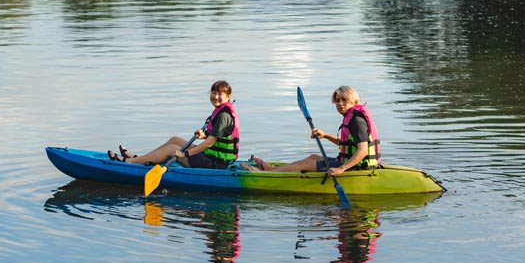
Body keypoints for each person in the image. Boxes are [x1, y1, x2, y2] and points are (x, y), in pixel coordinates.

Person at [107, 80, 240, 169]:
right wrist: (204, 135)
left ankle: (129, 162)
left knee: (171, 149)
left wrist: (185, 154)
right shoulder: (221, 112)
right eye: (213, 93)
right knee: (175, 140)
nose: (215, 97)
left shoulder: (223, 116)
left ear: (228, 96)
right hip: (212, 157)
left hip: (216, 164)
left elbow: (210, 144)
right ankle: (141, 159)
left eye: (220, 94)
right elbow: (216, 138)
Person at [253, 86, 381, 175]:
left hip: (356, 168)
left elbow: (362, 151)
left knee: (305, 164)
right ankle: (272, 169)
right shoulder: (351, 118)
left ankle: (267, 173)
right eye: (337, 100)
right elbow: (346, 144)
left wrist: (341, 169)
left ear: (354, 101)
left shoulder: (357, 121)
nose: (340, 103)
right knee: (312, 157)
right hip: (348, 163)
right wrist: (325, 135)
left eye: (344, 100)